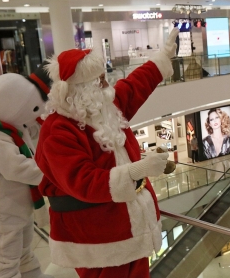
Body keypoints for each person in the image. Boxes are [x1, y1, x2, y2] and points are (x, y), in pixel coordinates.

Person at [35, 28, 179, 277]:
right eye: (100, 80)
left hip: (129, 228)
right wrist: (141, 169)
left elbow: (133, 87)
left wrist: (162, 58)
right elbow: (84, 182)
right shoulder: (57, 132)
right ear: (81, 89)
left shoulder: (102, 106)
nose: (107, 84)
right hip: (98, 237)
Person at [0, 70, 53, 278]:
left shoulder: (13, 129)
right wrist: (53, 175)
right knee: (7, 260)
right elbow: (17, 168)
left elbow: (34, 138)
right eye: (33, 108)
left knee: (24, 252)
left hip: (17, 207)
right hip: (2, 213)